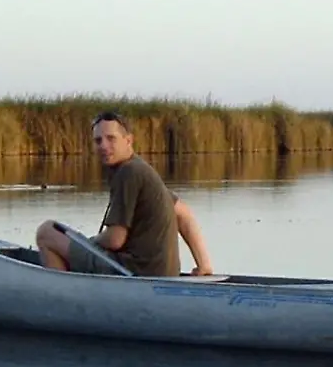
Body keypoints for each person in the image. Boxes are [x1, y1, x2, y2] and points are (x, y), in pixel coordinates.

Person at [34, 111, 215, 277]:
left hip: (135, 271)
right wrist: (204, 265)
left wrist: (90, 242)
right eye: (98, 141)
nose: (104, 146)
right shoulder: (141, 169)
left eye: (111, 138)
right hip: (163, 273)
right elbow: (183, 213)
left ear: (128, 140)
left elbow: (115, 239)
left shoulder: (128, 173)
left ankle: (64, 293)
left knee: (47, 232)